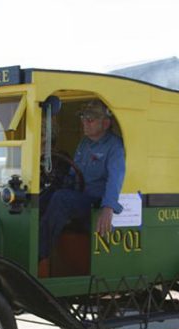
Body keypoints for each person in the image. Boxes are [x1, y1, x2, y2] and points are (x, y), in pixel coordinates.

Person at [38, 100, 125, 277]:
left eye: (90, 119)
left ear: (106, 123)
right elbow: (73, 172)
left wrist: (108, 208)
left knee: (61, 199)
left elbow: (116, 178)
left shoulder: (114, 146)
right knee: (42, 198)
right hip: (79, 195)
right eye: (84, 118)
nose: (85, 122)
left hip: (94, 202)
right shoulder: (84, 143)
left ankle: (42, 258)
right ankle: (34, 248)